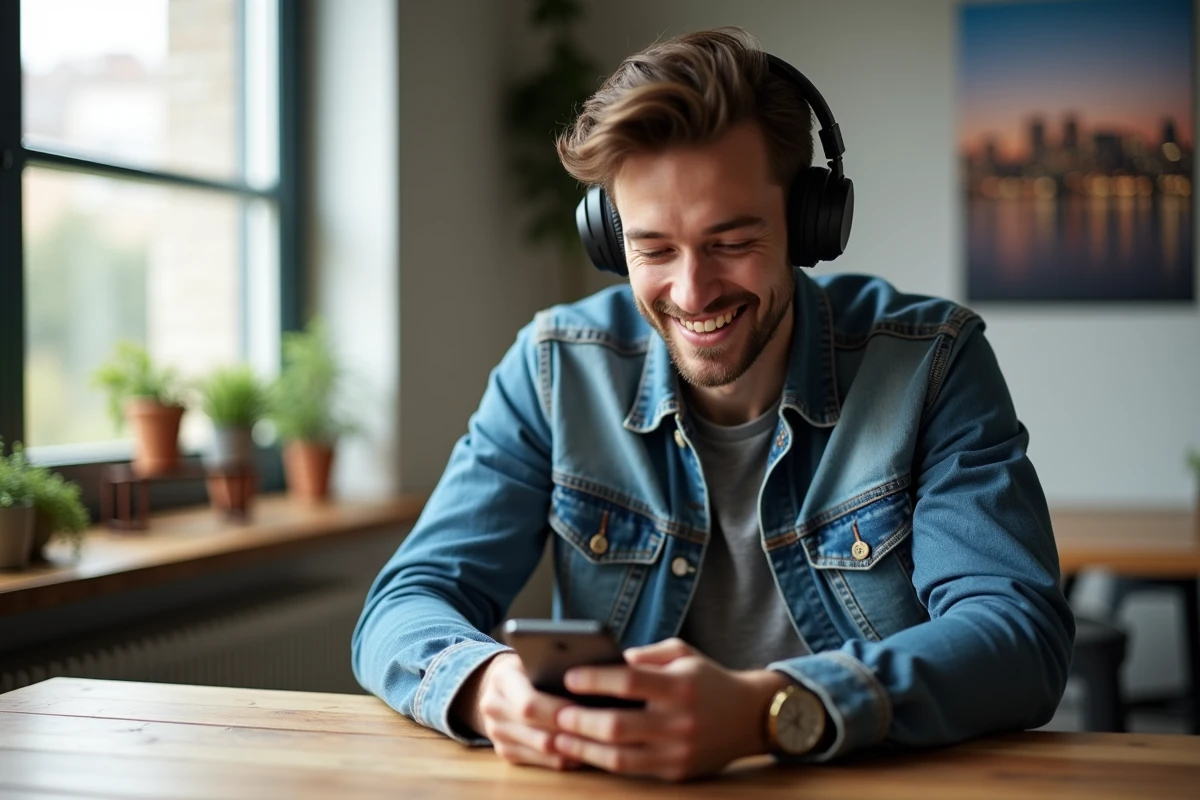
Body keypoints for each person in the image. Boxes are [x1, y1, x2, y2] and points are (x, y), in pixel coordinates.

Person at [352, 27, 1074, 781]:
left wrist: (775, 709)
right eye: (654, 249)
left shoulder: (932, 363)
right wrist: (484, 686)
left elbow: (1018, 635)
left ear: (807, 224)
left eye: (731, 241)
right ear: (610, 239)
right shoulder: (553, 369)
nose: (692, 294)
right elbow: (407, 601)